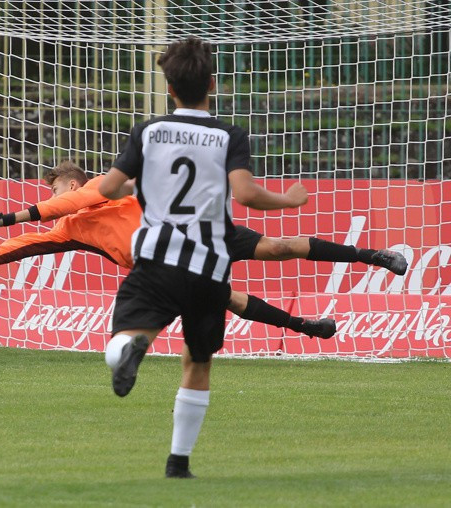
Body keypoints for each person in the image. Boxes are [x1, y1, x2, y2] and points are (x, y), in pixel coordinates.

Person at [93, 37, 353, 479]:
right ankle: (178, 463)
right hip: (209, 265)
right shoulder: (227, 134)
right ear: (211, 84)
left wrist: (134, 188)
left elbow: (105, 189)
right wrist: (289, 201)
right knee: (198, 361)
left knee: (120, 341)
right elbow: (247, 194)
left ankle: (134, 346)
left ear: (170, 88)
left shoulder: (149, 132)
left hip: (158, 259)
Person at [0, 161, 405, 337]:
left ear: (75, 182)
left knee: (279, 247)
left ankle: (375, 258)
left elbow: (71, 202)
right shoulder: (68, 230)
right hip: (167, 264)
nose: (58, 197)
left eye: (59, 186)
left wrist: (10, 214)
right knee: (226, 298)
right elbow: (23, 246)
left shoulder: (105, 188)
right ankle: (305, 327)